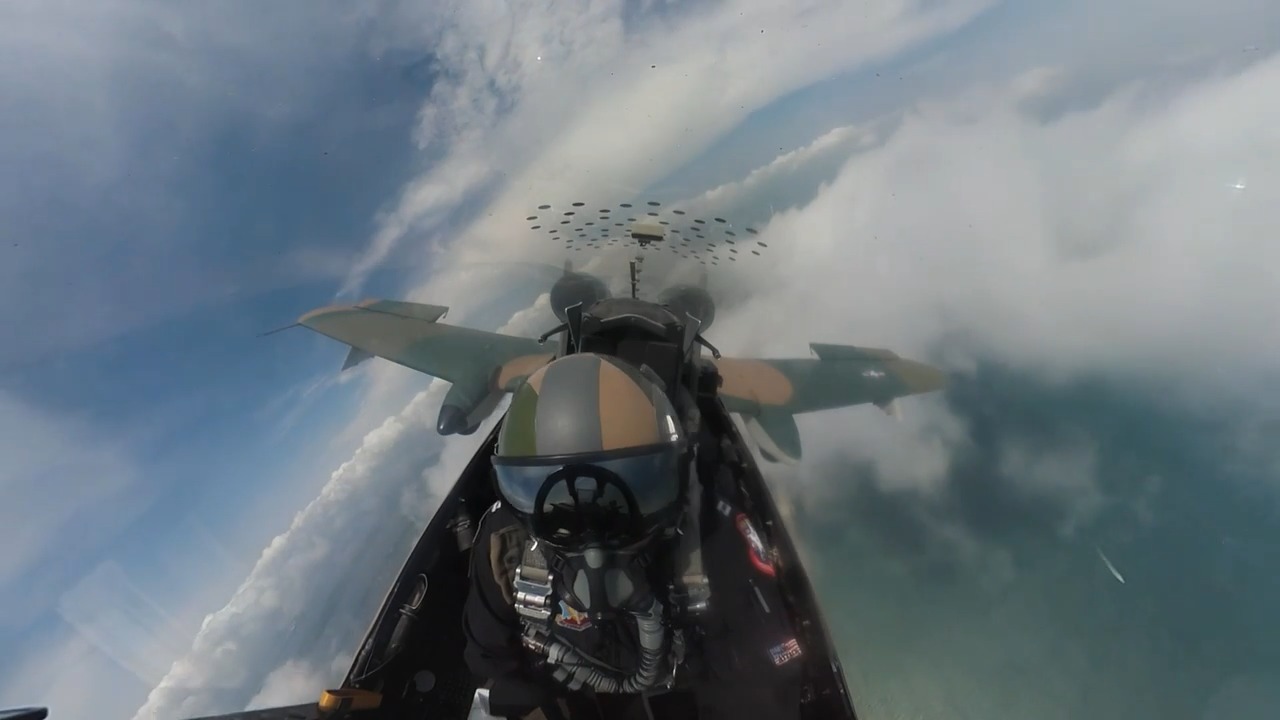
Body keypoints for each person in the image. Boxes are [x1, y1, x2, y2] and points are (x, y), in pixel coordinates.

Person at [463, 352, 803, 720]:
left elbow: (761, 684)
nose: (593, 546)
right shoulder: (508, 543)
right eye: (560, 506)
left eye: (631, 490)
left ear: (675, 477)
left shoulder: (713, 535)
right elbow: (494, 662)